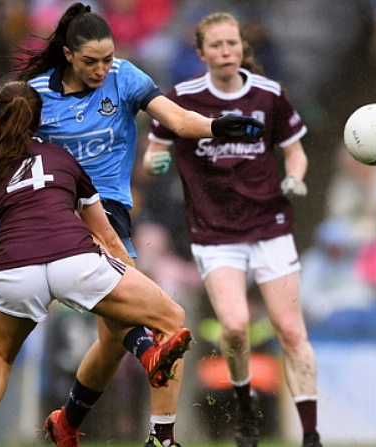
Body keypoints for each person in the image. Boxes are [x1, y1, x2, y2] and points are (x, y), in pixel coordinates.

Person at [0, 3, 264, 447]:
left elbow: (177, 119)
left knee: (113, 341)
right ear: (67, 54)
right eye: (90, 61)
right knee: (155, 323)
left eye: (107, 58)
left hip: (106, 210)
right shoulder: (37, 89)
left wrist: (217, 126)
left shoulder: (126, 77)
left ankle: (67, 422)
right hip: (59, 212)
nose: (102, 69)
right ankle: (161, 436)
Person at [0, 80, 191, 447]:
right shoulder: (63, 158)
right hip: (73, 261)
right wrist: (133, 285)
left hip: (14, 271)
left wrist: (5, 199)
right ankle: (161, 433)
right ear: (41, 119)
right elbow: (107, 236)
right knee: (170, 318)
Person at [142, 12, 321, 447]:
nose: (226, 52)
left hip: (270, 226)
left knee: (291, 330)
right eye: (217, 46)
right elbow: (152, 155)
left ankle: (311, 436)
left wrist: (295, 175)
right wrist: (157, 162)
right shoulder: (181, 98)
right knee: (236, 327)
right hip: (215, 233)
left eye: (233, 44)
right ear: (200, 52)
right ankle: (245, 411)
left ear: (243, 48)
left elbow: (295, 152)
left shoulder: (269, 94)